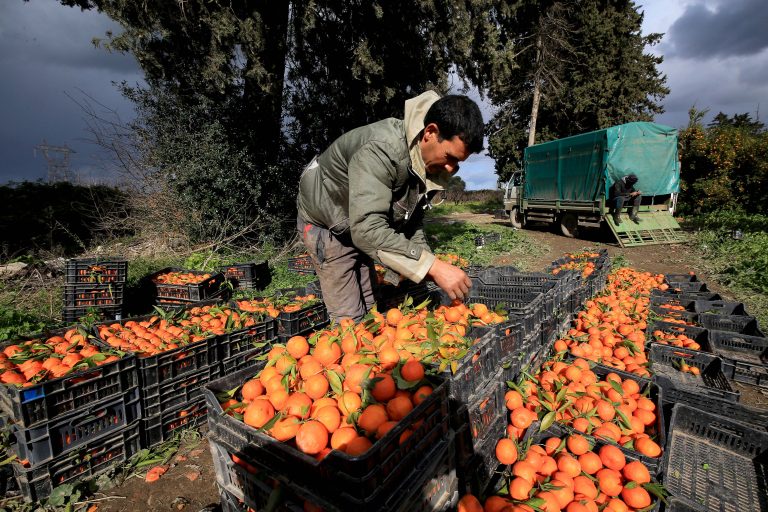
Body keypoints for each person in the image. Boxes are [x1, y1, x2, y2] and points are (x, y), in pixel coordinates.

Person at [296, 91, 485, 322]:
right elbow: (366, 229)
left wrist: (428, 264)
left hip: (360, 223)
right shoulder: (381, 149)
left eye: (458, 163)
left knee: (371, 308)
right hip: (327, 222)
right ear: (430, 132)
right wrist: (432, 266)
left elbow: (411, 223)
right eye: (450, 157)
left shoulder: (425, 165)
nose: (451, 169)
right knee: (350, 319)